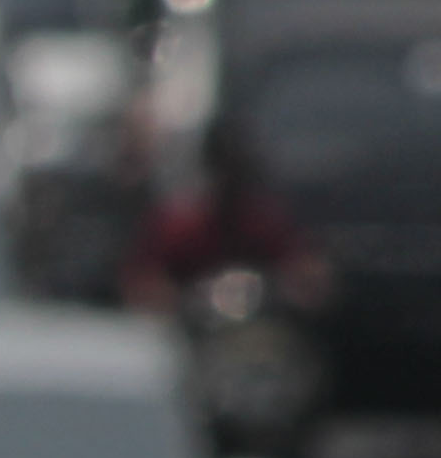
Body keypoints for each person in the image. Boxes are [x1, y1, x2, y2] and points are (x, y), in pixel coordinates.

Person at [122, 114, 331, 316]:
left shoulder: (263, 220)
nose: (230, 181)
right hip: (190, 336)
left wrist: (300, 287)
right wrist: (168, 300)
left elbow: (303, 269)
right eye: (224, 170)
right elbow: (144, 279)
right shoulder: (181, 224)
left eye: (238, 171)